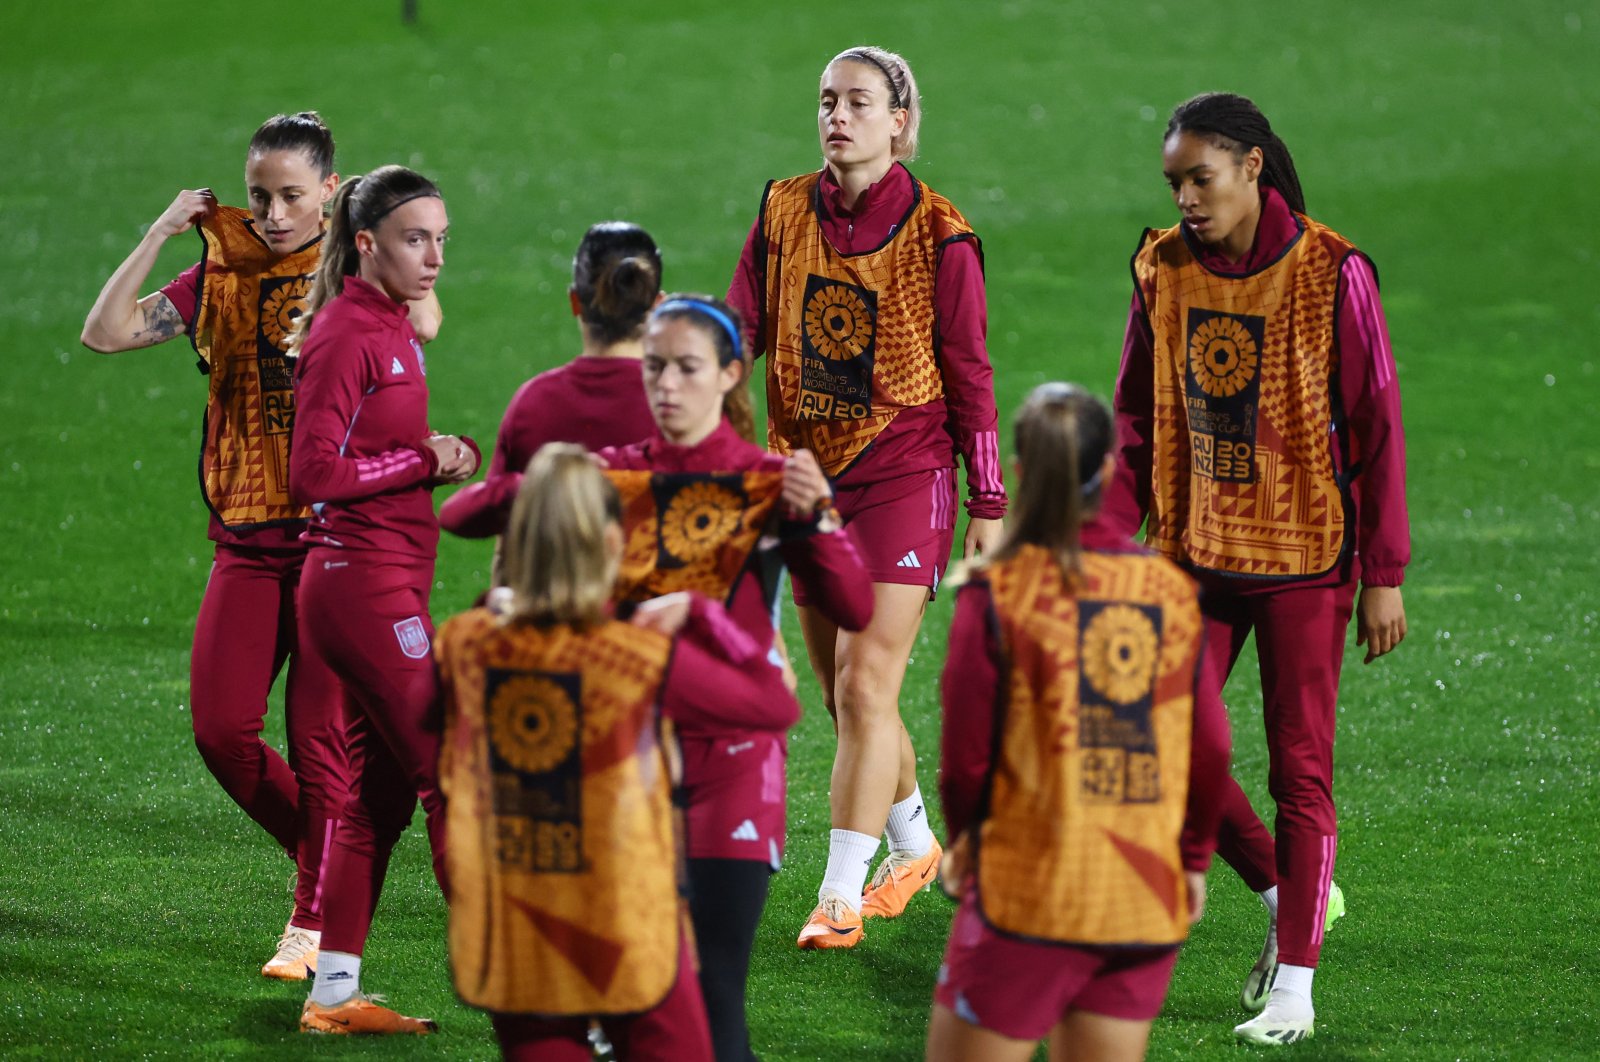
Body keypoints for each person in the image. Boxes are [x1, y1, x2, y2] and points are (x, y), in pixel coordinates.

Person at [77, 112, 437, 979]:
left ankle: (312, 922)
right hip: (245, 536)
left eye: (289, 196)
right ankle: (323, 856)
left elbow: (424, 319)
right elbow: (107, 330)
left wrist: (363, 241)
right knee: (221, 732)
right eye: (257, 198)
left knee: (320, 744)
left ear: (326, 191)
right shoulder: (221, 278)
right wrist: (161, 234)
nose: (272, 214)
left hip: (333, 545)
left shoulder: (361, 272)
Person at [1101, 92, 1410, 1045]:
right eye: (1174, 182)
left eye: (1201, 177)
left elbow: (1376, 425)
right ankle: (1285, 892)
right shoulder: (1162, 267)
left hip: (1304, 559)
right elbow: (1132, 420)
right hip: (1191, 550)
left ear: (1251, 169)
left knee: (1298, 772)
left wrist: (1385, 571)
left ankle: (1296, 994)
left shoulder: (1331, 270)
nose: (1187, 197)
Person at [726, 44, 1007, 948]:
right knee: (849, 698)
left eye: (858, 102)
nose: (836, 116)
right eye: (825, 101)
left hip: (904, 471)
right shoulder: (780, 210)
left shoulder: (942, 235)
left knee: (865, 679)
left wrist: (988, 506)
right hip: (806, 478)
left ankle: (839, 897)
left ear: (901, 123)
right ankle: (916, 845)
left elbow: (970, 372)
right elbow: (740, 335)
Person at [436, 443, 802, 1061]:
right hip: (625, 920)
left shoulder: (468, 642)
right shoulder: (637, 656)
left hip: (519, 922)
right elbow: (775, 705)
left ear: (518, 543)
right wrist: (701, 614)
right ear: (612, 543)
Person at [599, 295, 873, 1059]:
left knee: (711, 996)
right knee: (634, 1003)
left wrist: (820, 516)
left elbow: (852, 603)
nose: (667, 386)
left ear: (728, 375)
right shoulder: (613, 477)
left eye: (687, 369)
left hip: (734, 766)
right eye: (654, 368)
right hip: (627, 762)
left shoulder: (768, 481)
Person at [929, 383, 1231, 1062]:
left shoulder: (999, 590)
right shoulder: (1168, 590)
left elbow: (966, 760)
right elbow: (1210, 747)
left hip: (1031, 891)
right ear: (1109, 470)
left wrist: (964, 847)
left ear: (1022, 470)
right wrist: (1190, 861)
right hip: (1140, 892)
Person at [287, 164, 478, 1034]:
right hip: (359, 587)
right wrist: (423, 463)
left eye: (442, 237)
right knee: (450, 772)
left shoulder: (391, 325)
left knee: (379, 800)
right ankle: (528, 985)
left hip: (383, 581)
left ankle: (333, 995)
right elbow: (311, 473)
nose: (435, 255)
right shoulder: (345, 332)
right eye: (416, 238)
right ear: (366, 244)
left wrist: (439, 453)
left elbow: (382, 448)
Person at [438, 221, 661, 555]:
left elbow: (486, 520)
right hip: (656, 602)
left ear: (575, 301)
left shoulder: (534, 402)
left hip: (553, 602)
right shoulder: (679, 406)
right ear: (658, 304)